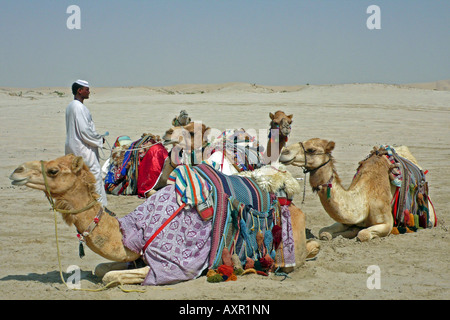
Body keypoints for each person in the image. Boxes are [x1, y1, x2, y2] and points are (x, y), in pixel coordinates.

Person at [65, 80, 108, 207]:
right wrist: (99, 139)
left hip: (74, 148)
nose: (89, 92)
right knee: (93, 175)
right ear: (80, 91)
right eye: (86, 89)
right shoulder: (78, 107)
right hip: (83, 149)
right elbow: (85, 131)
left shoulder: (71, 106)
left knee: (78, 178)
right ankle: (98, 207)